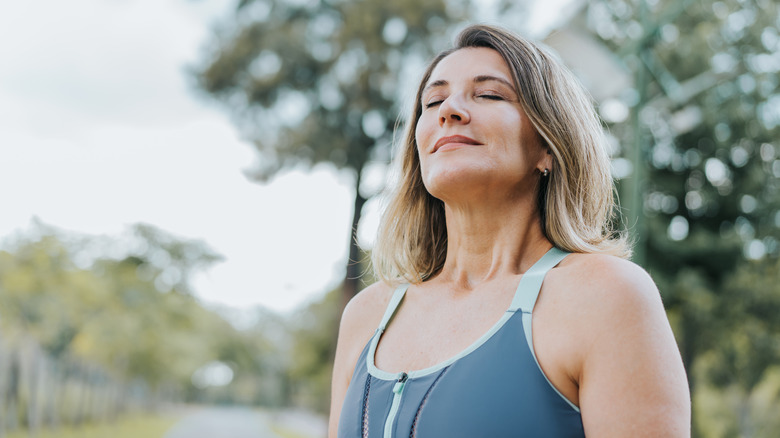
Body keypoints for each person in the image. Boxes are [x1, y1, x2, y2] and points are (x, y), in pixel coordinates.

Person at [329, 24, 690, 437]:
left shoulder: (607, 297)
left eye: (488, 94)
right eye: (433, 101)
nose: (449, 111)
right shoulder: (366, 315)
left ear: (549, 145)